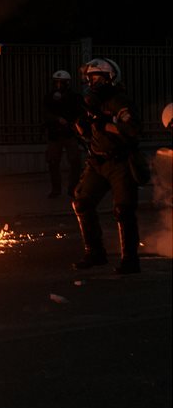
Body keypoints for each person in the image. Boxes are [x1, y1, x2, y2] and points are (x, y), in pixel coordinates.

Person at [71, 58, 144, 274]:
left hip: (119, 161)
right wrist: (82, 125)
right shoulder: (91, 102)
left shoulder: (119, 101)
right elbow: (87, 131)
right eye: (90, 78)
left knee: (124, 210)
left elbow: (132, 130)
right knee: (82, 202)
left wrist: (105, 124)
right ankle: (95, 252)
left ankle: (130, 260)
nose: (92, 82)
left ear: (109, 77)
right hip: (97, 162)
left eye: (96, 78)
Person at [43, 69, 83, 198]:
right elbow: (46, 114)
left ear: (67, 83)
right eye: (57, 82)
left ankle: (72, 188)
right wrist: (56, 119)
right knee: (53, 162)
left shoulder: (74, 97)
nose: (59, 85)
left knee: (75, 162)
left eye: (62, 82)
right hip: (55, 135)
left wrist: (73, 124)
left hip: (69, 134)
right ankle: (56, 189)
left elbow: (79, 112)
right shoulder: (49, 97)